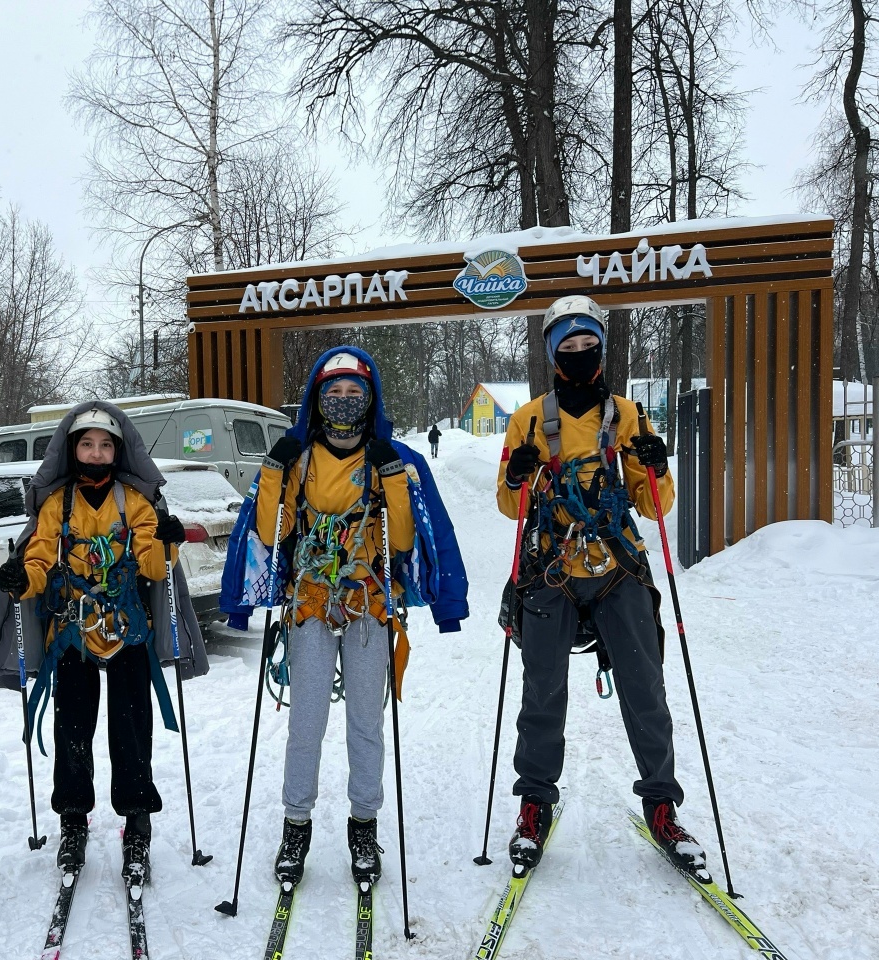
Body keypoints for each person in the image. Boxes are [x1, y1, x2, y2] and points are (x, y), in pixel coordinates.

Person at [219, 348, 469, 888]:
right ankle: (296, 826)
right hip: (309, 606)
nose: (343, 401)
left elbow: (405, 539)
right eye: (333, 393)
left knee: (365, 725)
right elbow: (270, 532)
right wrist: (273, 469)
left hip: (368, 606)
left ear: (371, 398)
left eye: (355, 392)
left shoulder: (391, 458)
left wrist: (392, 475)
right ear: (316, 398)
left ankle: (363, 825)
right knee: (305, 724)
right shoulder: (299, 459)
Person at [496, 295, 707, 878]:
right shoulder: (528, 419)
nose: (580, 355)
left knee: (646, 689)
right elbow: (510, 507)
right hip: (552, 568)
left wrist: (657, 466)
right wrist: (517, 475)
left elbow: (654, 504)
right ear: (552, 355)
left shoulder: (628, 415)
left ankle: (662, 805)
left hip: (618, 567)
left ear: (602, 350)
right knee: (542, 693)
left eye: (589, 345)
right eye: (568, 347)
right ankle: (534, 804)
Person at [0, 403, 207, 888]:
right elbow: (40, 559)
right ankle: (73, 819)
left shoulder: (135, 502)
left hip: (128, 632)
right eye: (87, 444)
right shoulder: (57, 504)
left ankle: (137, 822)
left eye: (105, 445)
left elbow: (152, 564)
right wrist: (22, 578)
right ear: (73, 449)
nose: (96, 452)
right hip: (71, 634)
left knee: (131, 729)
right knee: (72, 728)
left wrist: (168, 543)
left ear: (118, 450)